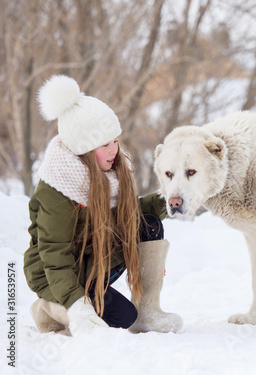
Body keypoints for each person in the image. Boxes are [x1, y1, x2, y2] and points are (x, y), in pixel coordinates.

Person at [23, 75, 182, 336]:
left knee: (148, 225)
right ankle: (48, 308)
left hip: (93, 261)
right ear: (83, 149)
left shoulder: (111, 173)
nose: (114, 151)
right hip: (57, 274)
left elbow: (130, 213)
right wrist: (77, 306)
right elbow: (55, 256)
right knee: (119, 318)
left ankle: (148, 311)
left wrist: (170, 199)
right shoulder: (59, 188)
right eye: (105, 144)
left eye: (115, 141)